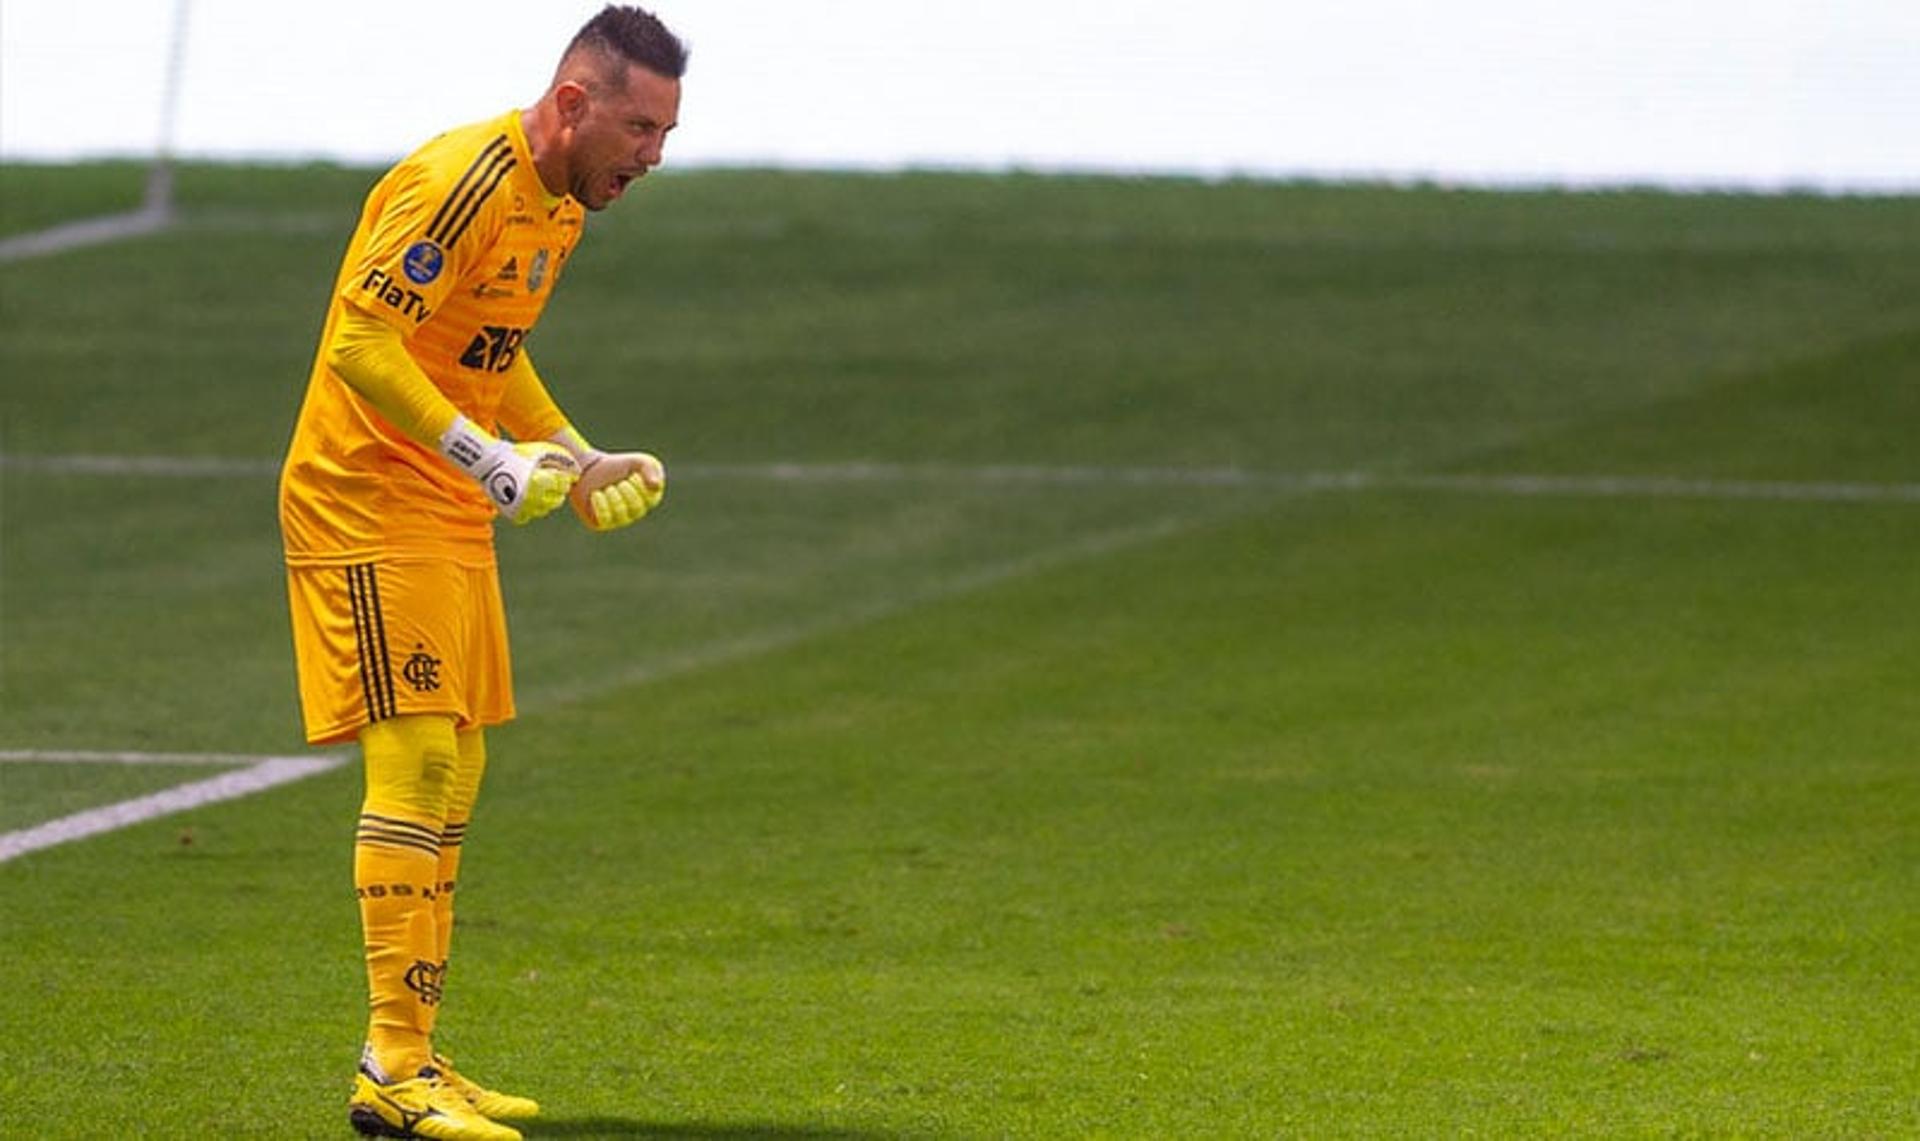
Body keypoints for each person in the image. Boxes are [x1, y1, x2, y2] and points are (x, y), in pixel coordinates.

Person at [277, 8, 688, 1139]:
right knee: (411, 758)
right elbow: (363, 343)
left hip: (447, 508)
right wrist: (483, 456)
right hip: (364, 496)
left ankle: (409, 1055)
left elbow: (483, 353)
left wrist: (571, 450)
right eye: (640, 127)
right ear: (573, 102)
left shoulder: (558, 206)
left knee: (456, 769)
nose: (652, 156)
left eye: (664, 133)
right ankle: (390, 1073)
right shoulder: (459, 178)